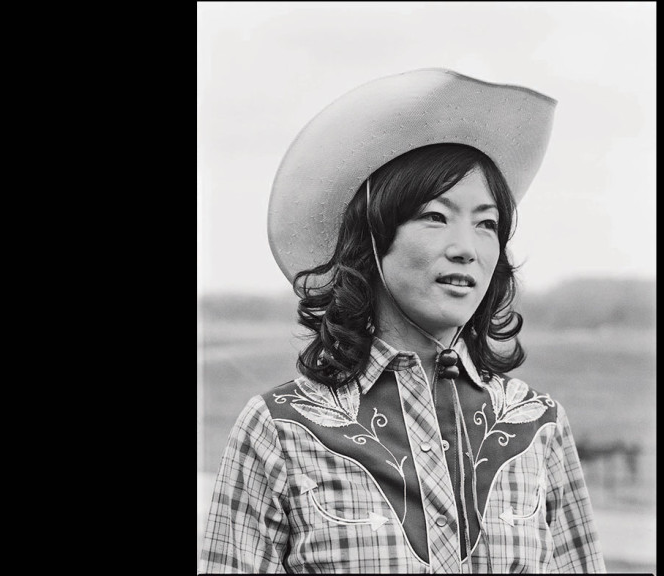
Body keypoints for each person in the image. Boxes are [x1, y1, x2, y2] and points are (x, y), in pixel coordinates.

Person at [199, 68, 606, 574]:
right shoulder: (279, 429)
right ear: (372, 237)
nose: (466, 248)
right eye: (435, 216)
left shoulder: (539, 425)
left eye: (487, 223)